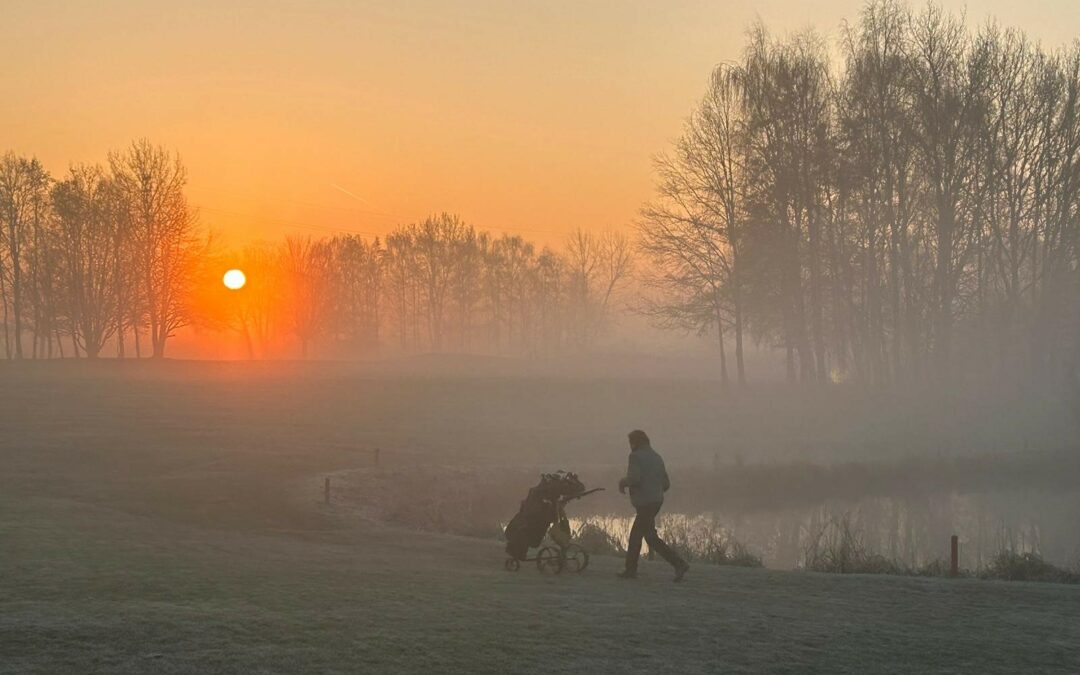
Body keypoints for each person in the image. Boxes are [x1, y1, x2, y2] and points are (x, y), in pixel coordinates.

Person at [617, 429, 690, 582]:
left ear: (635, 442)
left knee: (636, 536)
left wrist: (622, 483)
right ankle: (678, 564)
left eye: (631, 442)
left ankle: (632, 570)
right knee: (650, 537)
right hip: (656, 501)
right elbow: (666, 484)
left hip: (644, 503)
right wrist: (654, 489)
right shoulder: (657, 457)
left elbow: (634, 478)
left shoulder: (635, 457)